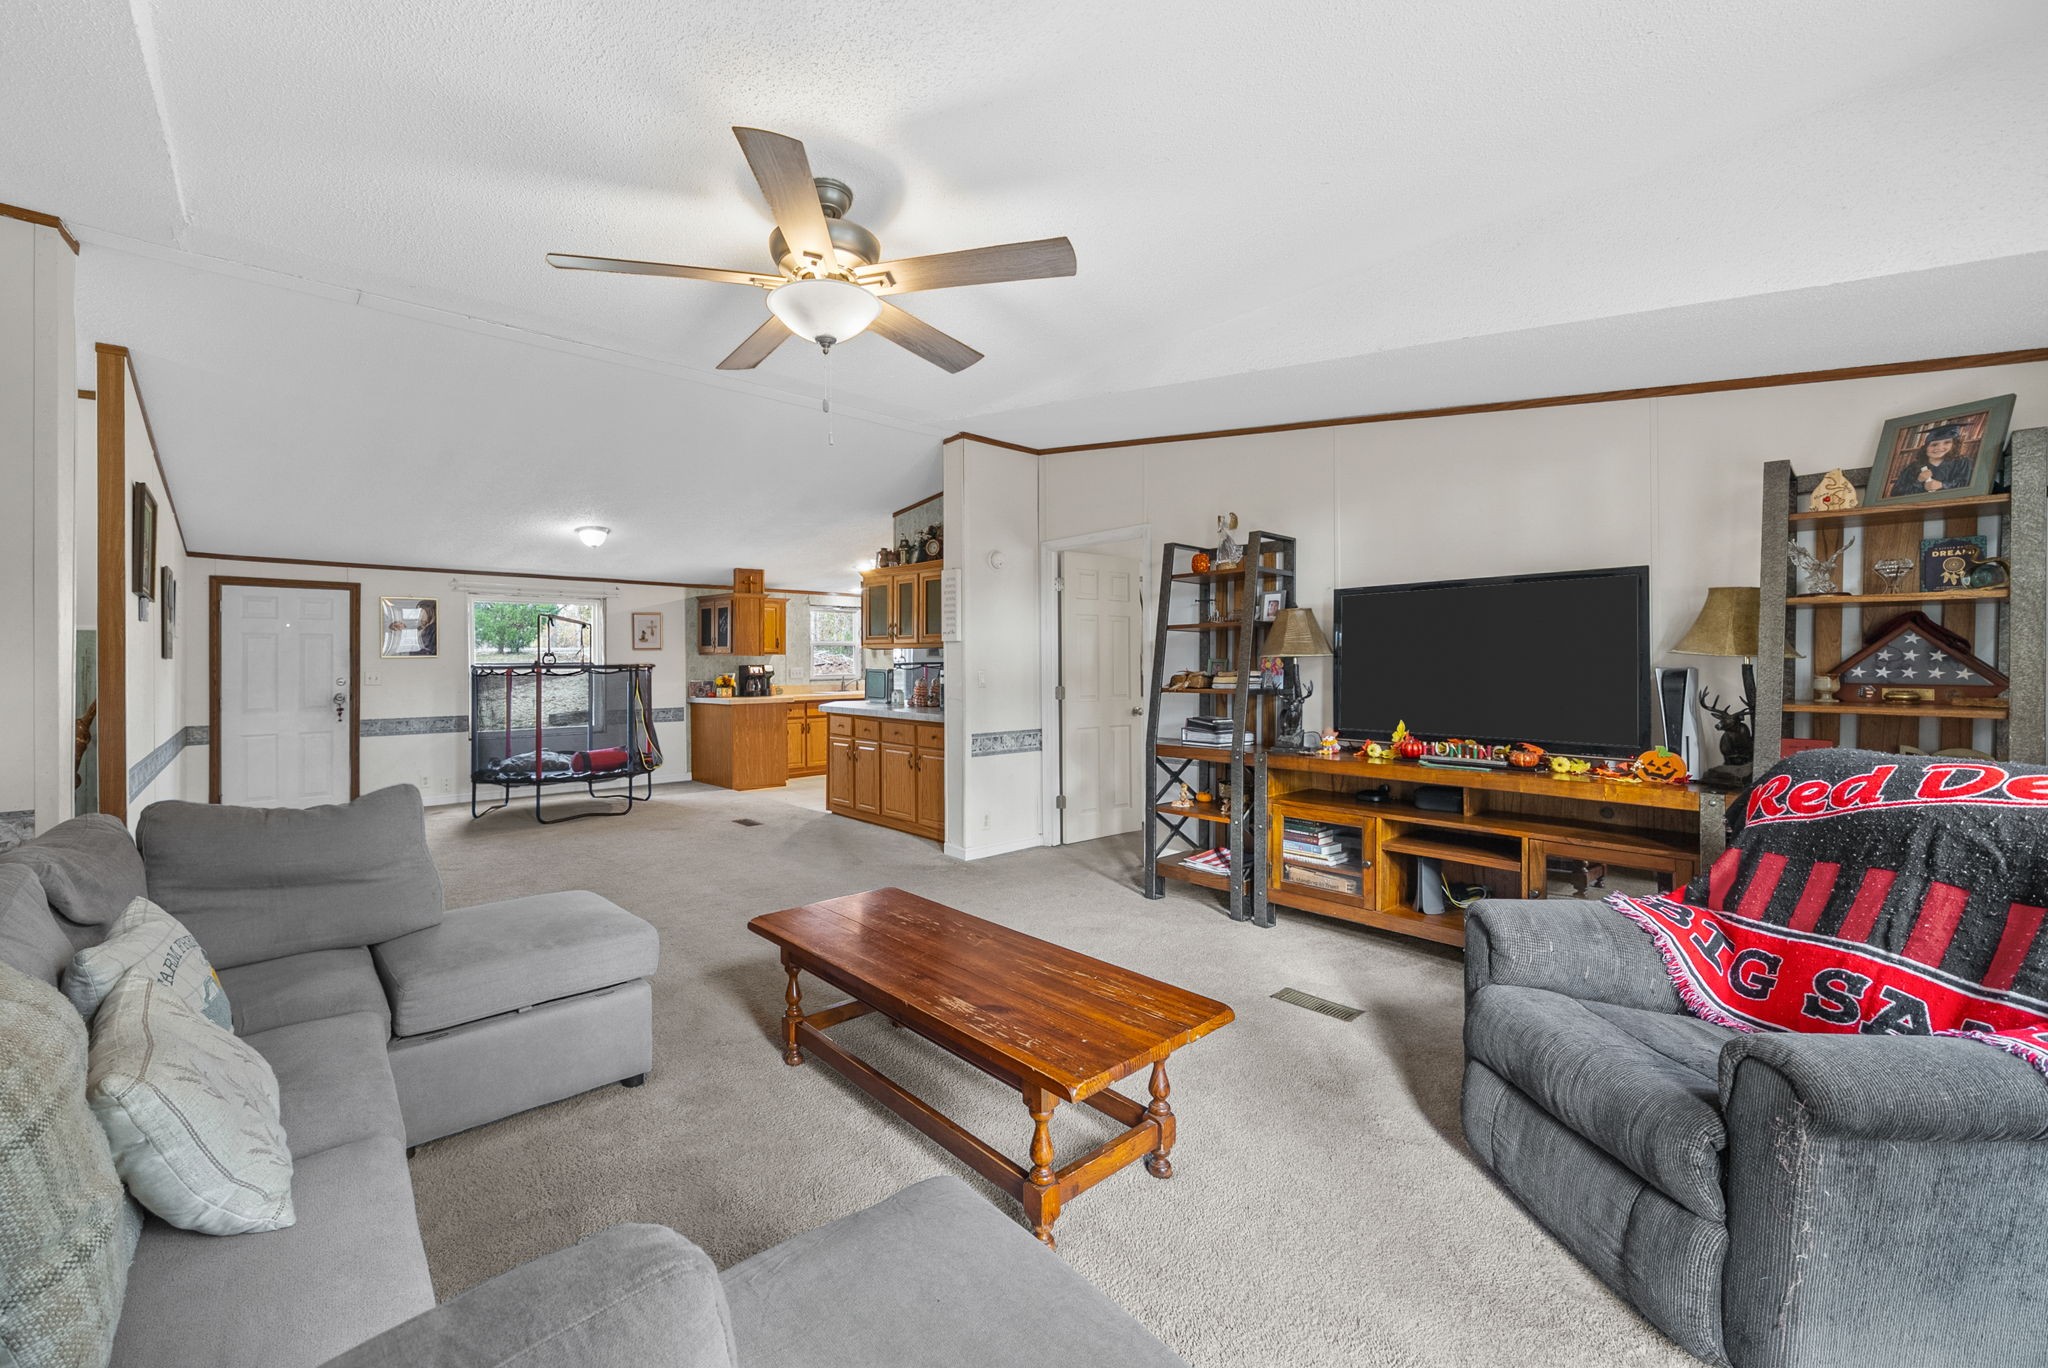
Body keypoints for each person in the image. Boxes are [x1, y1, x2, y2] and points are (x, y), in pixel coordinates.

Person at [1888, 423, 1974, 496]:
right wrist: (1918, 481)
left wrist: (1942, 485)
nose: (1940, 448)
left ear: (1954, 444)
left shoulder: (1963, 463)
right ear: (1926, 447)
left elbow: (1968, 485)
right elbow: (1896, 493)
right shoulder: (1912, 468)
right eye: (1934, 444)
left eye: (1947, 442)